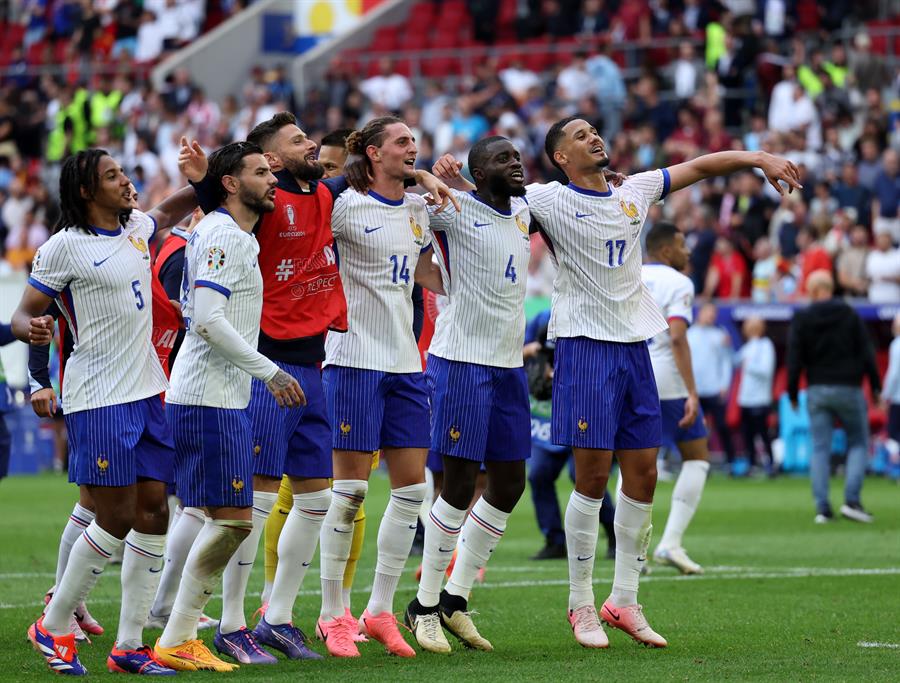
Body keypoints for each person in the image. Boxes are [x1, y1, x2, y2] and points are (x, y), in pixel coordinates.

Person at [434, 117, 800, 649]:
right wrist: (454, 179)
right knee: (592, 477)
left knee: (645, 474)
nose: (593, 138)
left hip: (635, 348)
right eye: (579, 136)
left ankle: (624, 600)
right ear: (560, 156)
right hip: (583, 347)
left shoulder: (636, 189)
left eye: (593, 131)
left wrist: (759, 157)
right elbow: (494, 202)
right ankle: (580, 604)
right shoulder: (546, 198)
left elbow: (700, 165)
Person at [15, 150, 196, 676]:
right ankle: (54, 625)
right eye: (113, 176)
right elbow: (26, 311)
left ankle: (130, 645)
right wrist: (36, 344)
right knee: (113, 515)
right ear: (87, 192)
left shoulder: (137, 227)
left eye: (124, 172)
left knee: (154, 513)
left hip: (146, 392)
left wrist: (207, 178)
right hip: (98, 398)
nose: (126, 181)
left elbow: (168, 211)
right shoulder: (63, 247)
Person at [153, 141, 305, 672]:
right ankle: (176, 631)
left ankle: (174, 629)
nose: (272, 179)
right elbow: (210, 320)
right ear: (233, 184)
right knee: (235, 520)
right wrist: (272, 371)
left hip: (217, 397)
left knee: (221, 517)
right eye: (262, 172)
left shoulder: (230, 234)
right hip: (207, 398)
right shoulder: (223, 235)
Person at [314, 116, 454, 659]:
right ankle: (333, 615)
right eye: (401, 142)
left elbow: (424, 275)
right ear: (373, 154)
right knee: (348, 494)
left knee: (412, 492)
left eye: (414, 142)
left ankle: (378, 609)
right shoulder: (345, 204)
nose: (412, 148)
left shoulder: (418, 211)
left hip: (404, 362)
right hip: (352, 361)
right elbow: (312, 204)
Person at [404, 136, 532, 654]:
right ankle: (424, 606)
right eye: (503, 159)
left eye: (517, 156)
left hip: (508, 364)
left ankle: (455, 600)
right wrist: (426, 177)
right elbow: (395, 204)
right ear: (477, 174)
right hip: (460, 360)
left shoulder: (527, 210)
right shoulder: (452, 210)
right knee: (456, 484)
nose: (516, 163)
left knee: (509, 483)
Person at [641, 221, 709, 575]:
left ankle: (634, 554)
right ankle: (670, 543)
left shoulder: (630, 273)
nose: (688, 251)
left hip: (632, 373)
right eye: (682, 244)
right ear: (666, 250)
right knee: (697, 455)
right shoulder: (679, 282)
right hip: (667, 377)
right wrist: (693, 392)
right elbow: (678, 337)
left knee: (635, 457)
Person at [787, 269, 879, 525]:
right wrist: (876, 387)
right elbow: (867, 352)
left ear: (813, 290)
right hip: (849, 387)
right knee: (859, 442)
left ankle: (822, 508)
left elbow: (794, 358)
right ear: (830, 288)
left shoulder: (803, 317)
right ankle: (852, 501)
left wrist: (793, 393)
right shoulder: (848, 313)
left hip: (817, 388)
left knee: (820, 447)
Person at [524, 309, 616, 562]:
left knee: (584, 476)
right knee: (539, 474)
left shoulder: (589, 316)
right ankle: (554, 540)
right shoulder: (542, 317)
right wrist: (533, 354)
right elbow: (520, 353)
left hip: (581, 409)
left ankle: (613, 534)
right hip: (548, 417)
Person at [687, 303, 737, 469]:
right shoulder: (689, 334)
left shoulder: (720, 335)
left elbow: (726, 361)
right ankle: (697, 462)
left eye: (713, 313)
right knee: (695, 429)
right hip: (695, 390)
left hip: (714, 388)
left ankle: (731, 462)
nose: (711, 316)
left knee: (722, 426)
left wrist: (724, 384)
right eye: (708, 312)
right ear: (700, 313)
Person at [736, 317, 776, 475]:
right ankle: (751, 464)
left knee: (763, 433)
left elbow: (766, 371)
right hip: (745, 398)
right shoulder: (748, 347)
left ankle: (770, 464)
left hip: (760, 398)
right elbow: (736, 360)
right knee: (748, 434)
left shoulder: (766, 345)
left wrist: (749, 365)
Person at [882, 314, 900, 446]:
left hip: (898, 399)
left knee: (894, 436)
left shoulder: (897, 345)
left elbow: (894, 374)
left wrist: (884, 396)